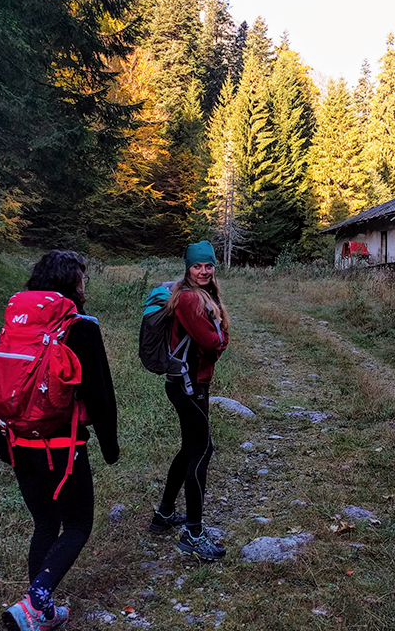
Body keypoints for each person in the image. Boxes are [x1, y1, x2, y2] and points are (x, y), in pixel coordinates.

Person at [0, 250, 119, 631]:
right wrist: (110, 445)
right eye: (82, 278)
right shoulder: (80, 326)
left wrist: (3, 440)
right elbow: (100, 393)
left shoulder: (18, 324)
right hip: (62, 446)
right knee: (79, 525)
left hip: (18, 440)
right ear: (74, 282)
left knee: (45, 526)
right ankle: (33, 605)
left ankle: (44, 612)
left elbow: (8, 384)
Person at [150, 240, 230, 560]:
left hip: (189, 383)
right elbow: (212, 342)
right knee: (201, 450)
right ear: (187, 268)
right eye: (197, 266)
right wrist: (222, 337)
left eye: (208, 265)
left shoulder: (203, 294)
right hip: (188, 385)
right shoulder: (187, 298)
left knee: (190, 448)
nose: (203, 271)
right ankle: (193, 534)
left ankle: (165, 514)